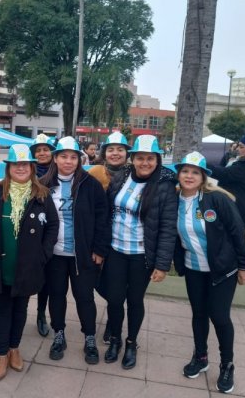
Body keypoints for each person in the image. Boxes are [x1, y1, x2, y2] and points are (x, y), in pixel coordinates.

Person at [0, 144, 59, 381]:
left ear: (32, 167)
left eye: (25, 164)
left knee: (20, 309)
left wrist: (43, 254)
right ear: (9, 167)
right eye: (16, 164)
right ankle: (1, 354)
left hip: (28, 266)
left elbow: (53, 225)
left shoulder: (42, 194)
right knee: (1, 310)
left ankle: (14, 348)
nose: (21, 168)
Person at [173, 151, 245, 394]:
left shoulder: (216, 199)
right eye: (185, 171)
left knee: (219, 316)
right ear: (179, 174)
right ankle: (201, 356)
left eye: (195, 172)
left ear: (203, 176)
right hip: (193, 267)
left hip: (222, 269)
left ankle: (227, 364)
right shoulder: (174, 199)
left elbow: (238, 232)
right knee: (199, 314)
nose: (189, 176)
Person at [101, 135, 178, 370]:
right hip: (115, 250)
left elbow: (167, 228)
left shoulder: (165, 186)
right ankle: (114, 338)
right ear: (132, 159)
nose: (145, 162)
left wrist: (163, 264)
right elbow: (106, 211)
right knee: (114, 299)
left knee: (134, 300)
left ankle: (131, 342)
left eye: (150, 158)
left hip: (141, 255)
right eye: (140, 157)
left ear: (158, 160)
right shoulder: (121, 176)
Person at [40, 137, 110, 365]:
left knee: (84, 298)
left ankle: (89, 337)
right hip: (55, 255)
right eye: (63, 156)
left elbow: (102, 219)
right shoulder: (43, 184)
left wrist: (99, 248)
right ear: (55, 158)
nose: (68, 161)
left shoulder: (90, 184)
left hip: (83, 254)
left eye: (73, 157)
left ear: (80, 159)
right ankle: (58, 334)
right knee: (56, 295)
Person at [87, 131, 131, 344]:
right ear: (104, 153)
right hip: (100, 236)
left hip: (125, 240)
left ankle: (114, 326)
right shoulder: (95, 172)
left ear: (126, 153)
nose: (115, 153)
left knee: (118, 288)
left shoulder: (135, 173)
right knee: (98, 282)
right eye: (111, 149)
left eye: (120, 150)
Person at [207, 133, 245, 229]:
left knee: (233, 240)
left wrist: (202, 164)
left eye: (241, 147)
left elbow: (223, 174)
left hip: (238, 209)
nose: (237, 149)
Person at [29, 133, 57, 337]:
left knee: (51, 279)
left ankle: (44, 314)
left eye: (46, 149)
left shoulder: (62, 172)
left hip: (58, 232)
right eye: (38, 150)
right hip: (35, 232)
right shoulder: (26, 174)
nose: (42, 153)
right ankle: (36, 313)